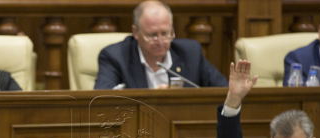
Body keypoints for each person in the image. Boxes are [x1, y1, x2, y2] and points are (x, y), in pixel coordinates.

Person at [94, 1, 227, 90]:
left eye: (165, 33)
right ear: (136, 32)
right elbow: (102, 101)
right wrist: (152, 100)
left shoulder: (190, 53)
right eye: (152, 35)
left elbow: (222, 90)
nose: (160, 41)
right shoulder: (115, 57)